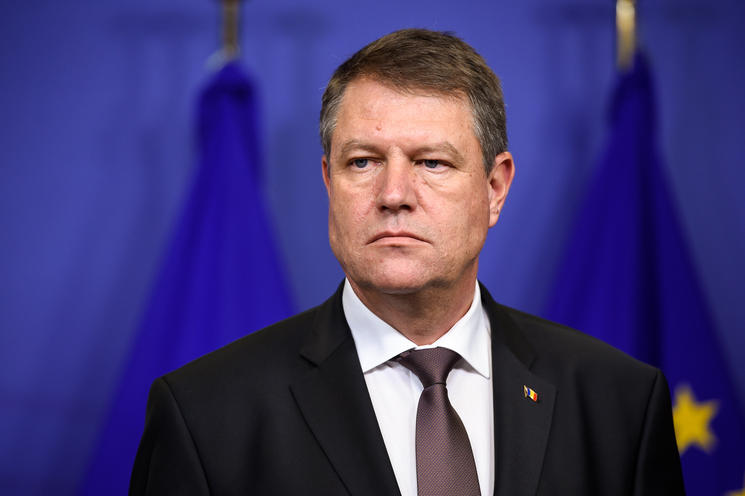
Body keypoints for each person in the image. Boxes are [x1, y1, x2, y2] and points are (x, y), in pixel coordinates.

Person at [130, 29, 685, 496]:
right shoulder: (205, 415)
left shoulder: (620, 404)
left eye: (432, 162)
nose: (394, 194)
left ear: (495, 188)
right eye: (363, 162)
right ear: (329, 182)